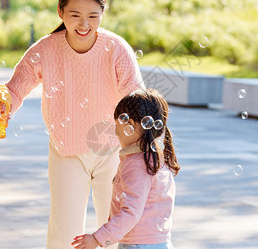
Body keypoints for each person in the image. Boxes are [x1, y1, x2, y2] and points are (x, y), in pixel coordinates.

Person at [0, 0, 144, 248]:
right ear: (60, 12)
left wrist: (147, 144)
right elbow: (14, 90)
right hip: (66, 152)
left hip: (114, 152)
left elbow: (136, 99)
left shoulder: (116, 49)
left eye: (93, 16)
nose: (84, 24)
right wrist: (4, 105)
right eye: (75, 15)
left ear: (102, 14)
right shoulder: (45, 50)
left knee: (115, 229)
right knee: (64, 233)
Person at [71, 88, 180, 249]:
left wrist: (98, 238)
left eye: (117, 124)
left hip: (138, 244)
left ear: (130, 125)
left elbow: (131, 212)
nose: (115, 131)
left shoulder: (136, 164)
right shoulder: (157, 159)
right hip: (159, 242)